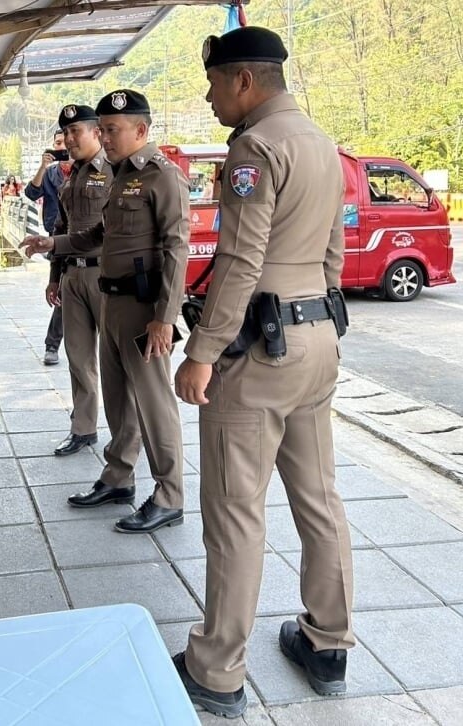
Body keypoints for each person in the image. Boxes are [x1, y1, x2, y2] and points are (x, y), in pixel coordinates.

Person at [171, 27, 355, 718]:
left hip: (259, 349)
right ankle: (328, 643)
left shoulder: (255, 147)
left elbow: (242, 262)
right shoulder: (320, 142)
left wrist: (204, 352)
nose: (211, 95)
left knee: (236, 512)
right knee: (319, 499)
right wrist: (320, 319)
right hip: (315, 341)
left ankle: (217, 670)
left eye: (215, 83)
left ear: (243, 81)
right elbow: (334, 249)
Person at [21, 89, 188, 534]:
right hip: (113, 302)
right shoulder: (120, 175)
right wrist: (51, 244)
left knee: (154, 405)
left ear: (141, 130)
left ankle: (170, 495)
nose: (105, 137)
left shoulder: (162, 177)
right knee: (118, 402)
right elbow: (97, 233)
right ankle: (118, 479)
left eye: (112, 130)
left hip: (143, 309)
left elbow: (177, 248)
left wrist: (165, 318)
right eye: (104, 131)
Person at [47, 104, 113, 456]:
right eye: (66, 133)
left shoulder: (116, 171)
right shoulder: (70, 176)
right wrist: (55, 276)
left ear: (96, 132)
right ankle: (83, 428)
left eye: (76, 132)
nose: (69, 139)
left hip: (106, 275)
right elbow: (61, 227)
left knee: (117, 359)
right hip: (73, 275)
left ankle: (128, 433)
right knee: (78, 356)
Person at [25, 129, 71, 366]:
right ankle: (52, 344)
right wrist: (42, 166)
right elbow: (31, 193)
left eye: (67, 141)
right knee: (62, 291)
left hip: (88, 243)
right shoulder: (52, 174)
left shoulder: (89, 171)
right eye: (58, 143)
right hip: (57, 236)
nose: (63, 147)